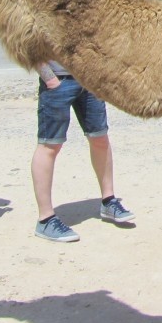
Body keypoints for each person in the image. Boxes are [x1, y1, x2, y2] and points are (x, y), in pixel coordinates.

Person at [31, 60, 135, 242]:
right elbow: (28, 45)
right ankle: (45, 219)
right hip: (58, 82)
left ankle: (108, 201)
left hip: (89, 81)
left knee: (100, 138)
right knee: (50, 145)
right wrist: (50, 79)